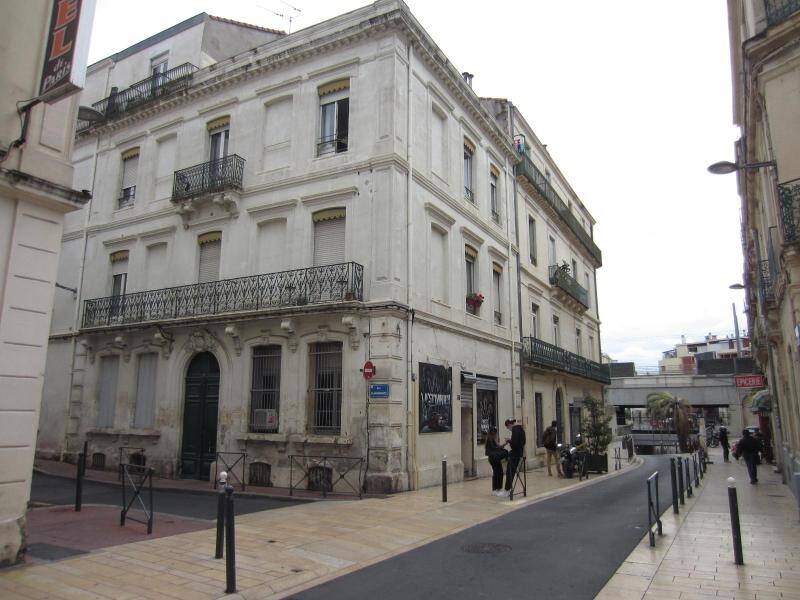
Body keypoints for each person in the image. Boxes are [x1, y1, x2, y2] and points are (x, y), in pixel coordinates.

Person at [501, 418, 526, 496]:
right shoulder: (521, 429)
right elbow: (523, 442)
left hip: (515, 454)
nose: (508, 429)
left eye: (507, 427)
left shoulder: (515, 430)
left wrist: (509, 440)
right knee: (511, 472)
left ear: (509, 425)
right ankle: (507, 490)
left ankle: (507, 490)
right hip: (519, 453)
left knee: (510, 472)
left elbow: (514, 444)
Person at [484, 427, 508, 495]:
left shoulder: (492, 439)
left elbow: (498, 447)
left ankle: (498, 488)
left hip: (495, 458)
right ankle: (495, 489)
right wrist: (503, 446)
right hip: (493, 458)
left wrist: (504, 444)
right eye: (496, 433)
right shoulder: (490, 440)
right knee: (497, 473)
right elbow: (495, 449)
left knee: (499, 472)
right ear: (493, 433)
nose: (496, 434)